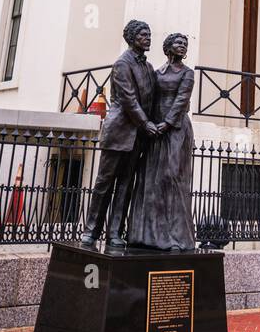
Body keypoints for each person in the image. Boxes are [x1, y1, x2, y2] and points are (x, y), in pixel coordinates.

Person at [80, 19, 157, 251]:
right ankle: (91, 231)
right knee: (104, 184)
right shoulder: (122, 64)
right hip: (120, 132)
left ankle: (115, 233)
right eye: (144, 34)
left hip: (137, 137)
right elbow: (128, 100)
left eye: (149, 34)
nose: (148, 38)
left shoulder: (148, 67)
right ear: (133, 38)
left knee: (126, 186)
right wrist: (146, 124)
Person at [126, 32, 196, 252]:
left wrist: (165, 124)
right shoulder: (156, 72)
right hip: (155, 131)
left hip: (175, 130)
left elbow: (181, 100)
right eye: (178, 43)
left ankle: (176, 235)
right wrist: (148, 124)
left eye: (185, 43)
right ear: (168, 47)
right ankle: (147, 234)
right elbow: (148, 98)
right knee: (150, 180)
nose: (182, 46)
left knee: (171, 178)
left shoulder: (187, 74)